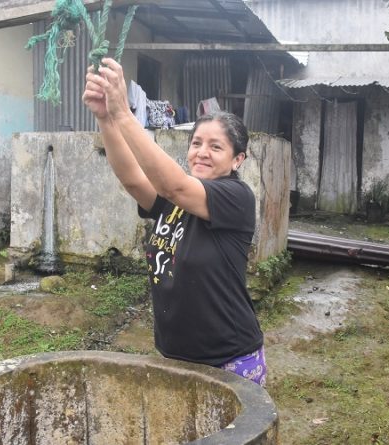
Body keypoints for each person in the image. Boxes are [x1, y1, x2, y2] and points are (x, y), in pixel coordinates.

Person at [82, 58, 266, 386]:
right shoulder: (176, 201)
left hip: (228, 359)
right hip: (175, 355)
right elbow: (134, 180)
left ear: (238, 159)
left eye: (216, 147)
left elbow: (175, 186)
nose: (201, 152)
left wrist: (124, 113)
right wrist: (106, 118)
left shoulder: (236, 197)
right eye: (196, 143)